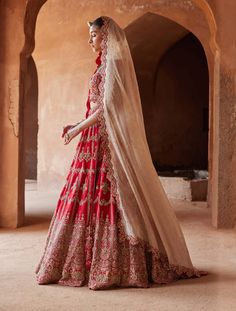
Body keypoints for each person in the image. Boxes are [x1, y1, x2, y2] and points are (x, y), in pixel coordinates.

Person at [35, 16, 207, 290]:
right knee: (83, 197)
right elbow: (95, 107)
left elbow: (106, 110)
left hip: (105, 142)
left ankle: (117, 265)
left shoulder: (114, 65)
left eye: (93, 35)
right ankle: (79, 261)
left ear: (106, 36)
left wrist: (77, 128)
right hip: (92, 141)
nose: (90, 40)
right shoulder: (103, 65)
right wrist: (77, 124)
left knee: (114, 198)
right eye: (90, 35)